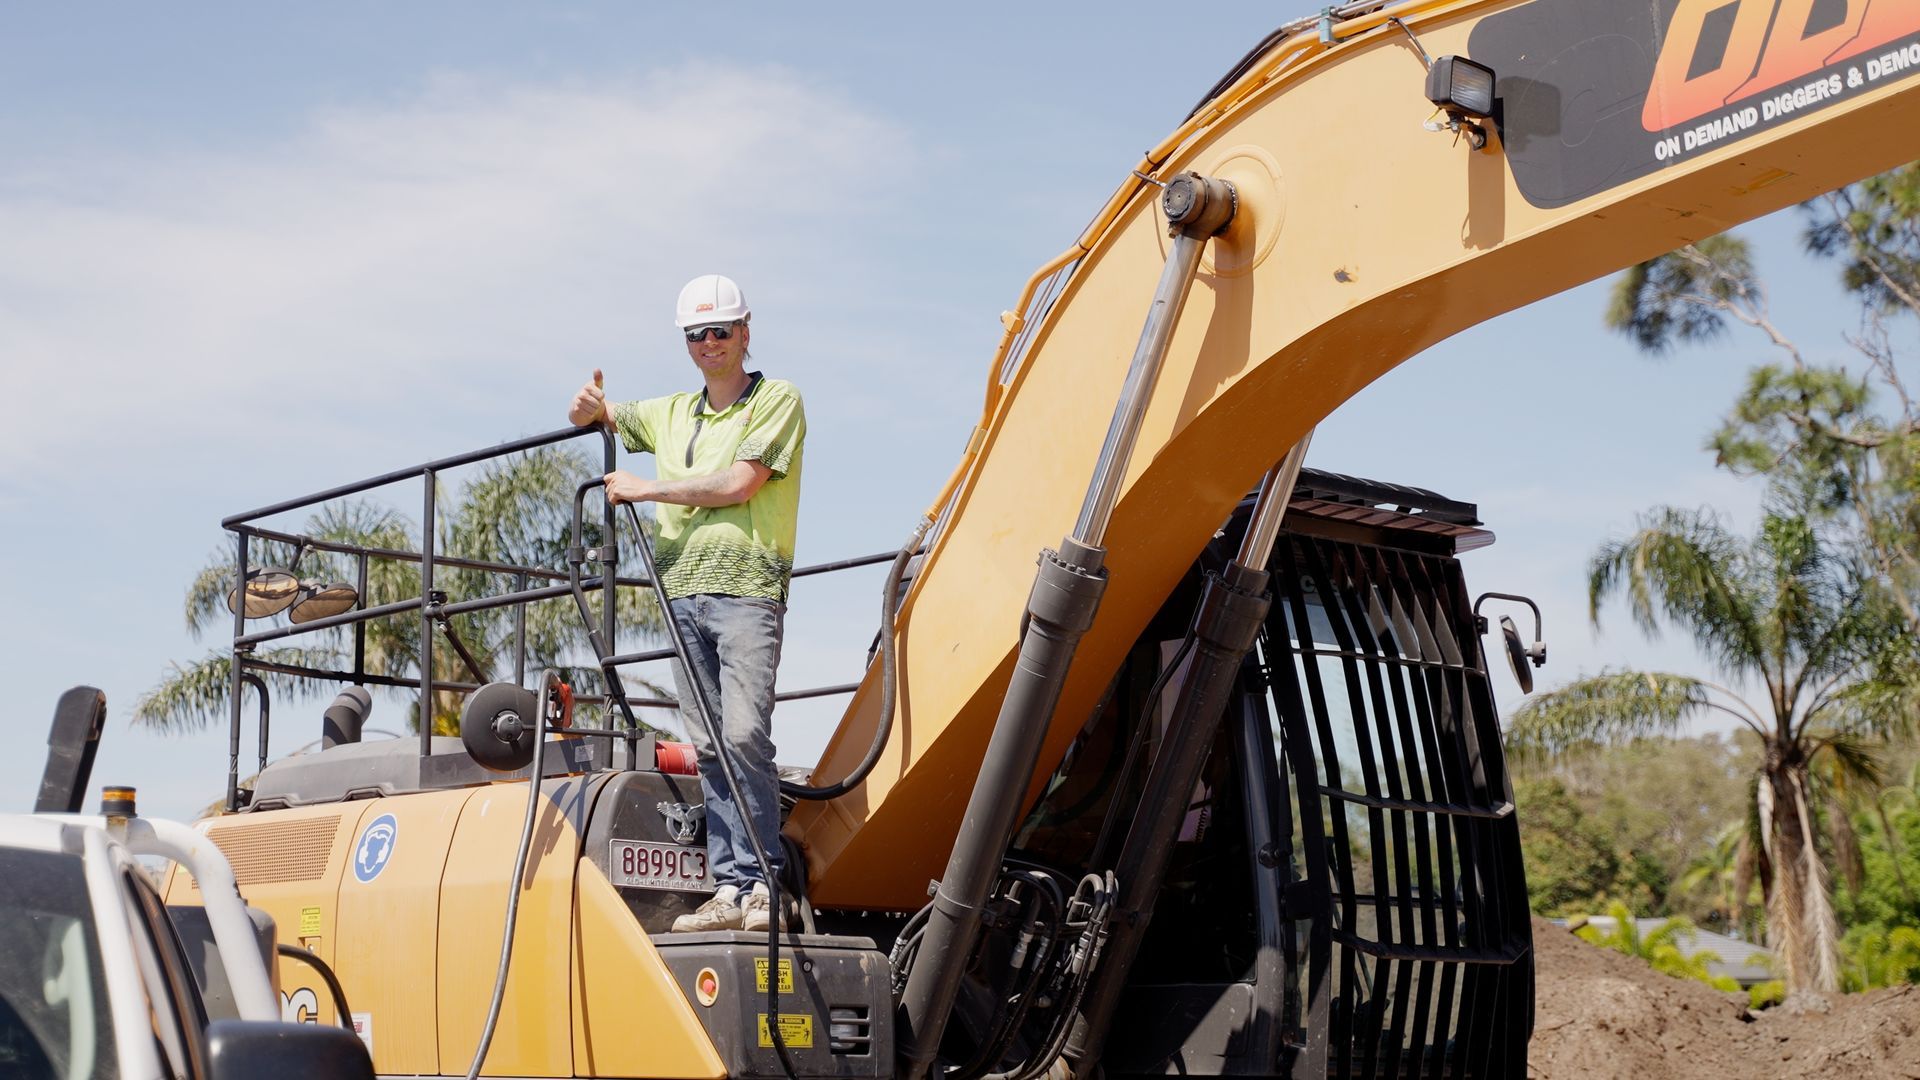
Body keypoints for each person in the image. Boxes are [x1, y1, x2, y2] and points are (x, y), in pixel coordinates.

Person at [568, 273, 805, 933]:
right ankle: (730, 888)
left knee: (742, 735)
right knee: (708, 744)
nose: (708, 343)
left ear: (745, 332)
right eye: (696, 334)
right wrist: (587, 406)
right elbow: (599, 416)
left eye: (719, 331)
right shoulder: (671, 413)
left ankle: (760, 884)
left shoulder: (777, 401)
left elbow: (738, 484)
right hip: (684, 598)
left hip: (747, 594)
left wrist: (648, 491)